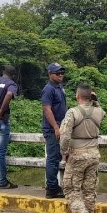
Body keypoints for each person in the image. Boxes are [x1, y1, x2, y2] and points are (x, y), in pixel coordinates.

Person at [59, 83, 106, 213]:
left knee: (70, 189)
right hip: (94, 155)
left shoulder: (72, 112)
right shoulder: (98, 111)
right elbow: (103, 112)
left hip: (77, 155)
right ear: (90, 96)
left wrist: (64, 152)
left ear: (77, 96)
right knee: (89, 190)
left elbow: (65, 135)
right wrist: (96, 101)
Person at [41, 62, 67, 198]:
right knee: (52, 158)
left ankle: (54, 186)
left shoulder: (59, 87)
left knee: (56, 157)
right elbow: (47, 109)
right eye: (58, 73)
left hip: (60, 128)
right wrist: (56, 127)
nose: (61, 75)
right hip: (52, 130)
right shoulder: (48, 89)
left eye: (62, 73)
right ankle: (52, 187)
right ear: (50, 74)